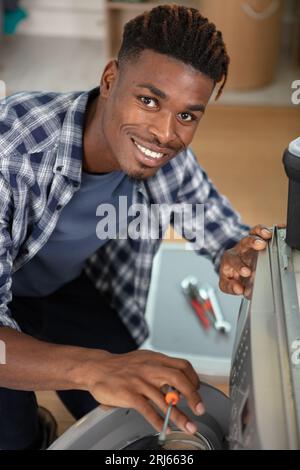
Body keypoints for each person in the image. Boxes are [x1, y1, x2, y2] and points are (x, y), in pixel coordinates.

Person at [0, 4, 271, 449]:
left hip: (63, 287)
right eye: (149, 101)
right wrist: (93, 367)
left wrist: (238, 256)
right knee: (15, 438)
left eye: (187, 115)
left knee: (147, 415)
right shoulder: (12, 151)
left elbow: (214, 224)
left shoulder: (160, 153)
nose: (165, 133)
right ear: (110, 80)